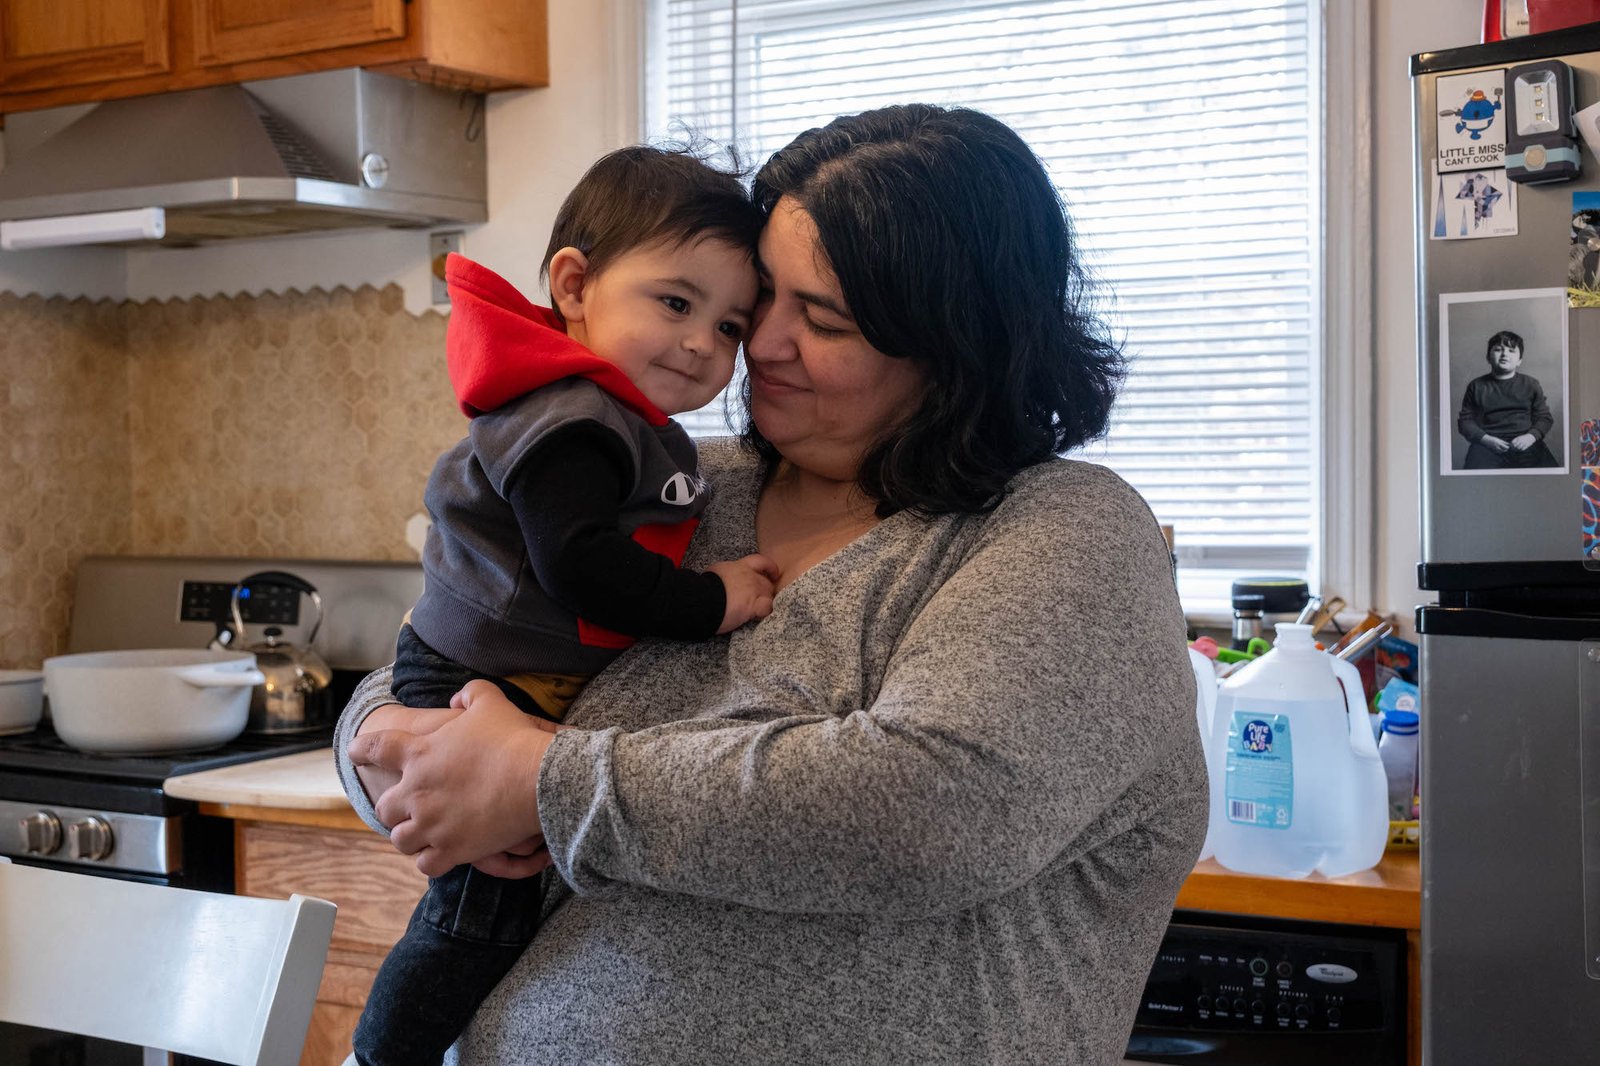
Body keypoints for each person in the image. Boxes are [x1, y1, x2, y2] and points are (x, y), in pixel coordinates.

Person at [336, 103, 1207, 1066]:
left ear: (957, 345)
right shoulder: (671, 476)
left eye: (821, 318)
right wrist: (377, 743)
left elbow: (930, 814)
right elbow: (451, 639)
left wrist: (534, 781)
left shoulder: (1060, 532)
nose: (758, 347)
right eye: (761, 306)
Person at [355, 146, 781, 1066]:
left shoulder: (610, 414)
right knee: (477, 921)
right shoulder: (574, 419)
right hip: (472, 679)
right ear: (575, 284)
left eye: (732, 325)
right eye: (676, 302)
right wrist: (714, 600)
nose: (704, 343)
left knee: (486, 909)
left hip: (492, 674)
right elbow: (582, 563)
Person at [1456, 328, 1559, 470]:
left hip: (1525, 443)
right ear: (1488, 357)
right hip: (1487, 445)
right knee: (1474, 480)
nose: (1504, 354)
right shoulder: (1476, 386)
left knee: (1548, 479)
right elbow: (1465, 422)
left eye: (1511, 351)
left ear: (1519, 361)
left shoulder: (1531, 384)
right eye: (1498, 350)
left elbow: (1544, 418)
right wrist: (1486, 439)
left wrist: (1530, 437)